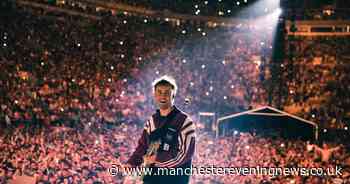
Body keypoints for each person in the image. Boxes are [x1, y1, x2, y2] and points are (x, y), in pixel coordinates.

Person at [124, 75, 196, 184]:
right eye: (159, 92)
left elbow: (184, 154)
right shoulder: (151, 121)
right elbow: (142, 146)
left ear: (173, 95)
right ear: (154, 95)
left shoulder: (184, 121)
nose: (163, 96)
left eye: (167, 92)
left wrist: (157, 158)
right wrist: (131, 163)